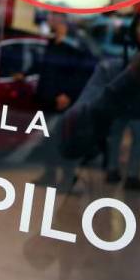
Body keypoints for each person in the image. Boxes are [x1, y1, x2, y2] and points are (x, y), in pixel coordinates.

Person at [35, 12, 95, 188]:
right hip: (48, 98)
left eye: (51, 17)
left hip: (65, 101)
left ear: (60, 19)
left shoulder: (75, 45)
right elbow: (46, 68)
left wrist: (67, 94)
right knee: (48, 139)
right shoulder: (53, 42)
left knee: (64, 138)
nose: (48, 20)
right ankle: (50, 174)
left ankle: (68, 177)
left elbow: (82, 72)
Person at [105, 13, 140, 191]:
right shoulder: (138, 50)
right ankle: (132, 176)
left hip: (120, 100)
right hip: (135, 102)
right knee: (139, 140)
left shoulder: (123, 45)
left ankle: (112, 170)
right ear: (136, 26)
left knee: (116, 137)